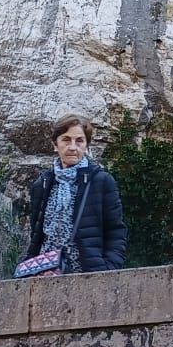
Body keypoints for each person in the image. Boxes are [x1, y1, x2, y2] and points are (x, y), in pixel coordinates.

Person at [25, 115, 128, 273]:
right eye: (66, 140)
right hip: (45, 275)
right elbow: (37, 234)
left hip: (88, 275)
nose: (73, 147)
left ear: (86, 146)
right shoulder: (43, 184)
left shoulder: (101, 181)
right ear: (55, 145)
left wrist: (108, 270)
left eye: (79, 141)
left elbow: (116, 231)